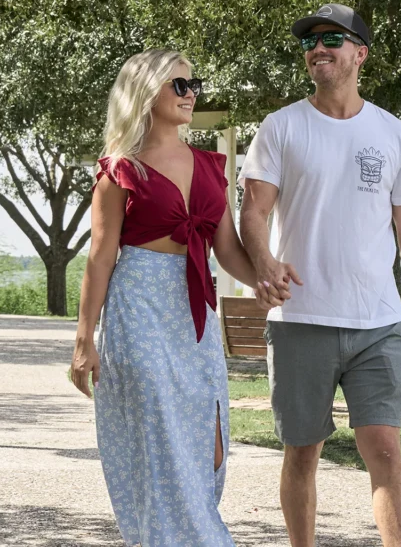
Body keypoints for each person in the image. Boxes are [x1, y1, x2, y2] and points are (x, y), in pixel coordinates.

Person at [70, 48, 296, 547]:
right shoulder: (120, 169)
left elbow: (228, 249)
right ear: (145, 92)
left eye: (194, 85)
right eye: (179, 85)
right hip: (138, 308)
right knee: (160, 439)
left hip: (194, 311)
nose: (192, 94)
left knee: (208, 441)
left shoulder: (210, 167)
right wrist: (85, 339)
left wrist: (263, 277)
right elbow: (100, 258)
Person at [238, 4, 401, 547]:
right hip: (300, 317)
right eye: (310, 42)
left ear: (359, 53)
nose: (318, 48)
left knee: (385, 446)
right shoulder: (280, 127)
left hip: (376, 321)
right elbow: (253, 212)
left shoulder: (393, 133)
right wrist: (264, 261)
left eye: (332, 38)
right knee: (302, 452)